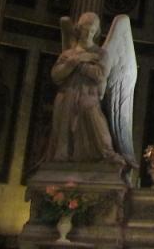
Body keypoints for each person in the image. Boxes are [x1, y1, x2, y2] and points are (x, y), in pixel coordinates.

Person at [45, 13, 130, 166]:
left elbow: (100, 75)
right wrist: (76, 60)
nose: (89, 32)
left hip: (88, 100)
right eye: (86, 28)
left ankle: (107, 155)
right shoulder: (68, 54)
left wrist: (77, 63)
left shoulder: (101, 54)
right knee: (64, 141)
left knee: (102, 136)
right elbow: (56, 75)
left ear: (96, 31)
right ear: (79, 29)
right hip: (66, 99)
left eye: (93, 29)